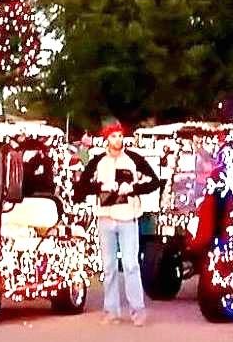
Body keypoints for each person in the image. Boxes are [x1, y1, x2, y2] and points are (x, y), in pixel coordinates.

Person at [74, 121, 159, 326]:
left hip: (127, 217)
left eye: (120, 136)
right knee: (109, 266)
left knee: (130, 265)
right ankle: (111, 310)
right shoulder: (98, 162)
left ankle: (137, 309)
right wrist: (101, 186)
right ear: (106, 139)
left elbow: (154, 182)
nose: (117, 140)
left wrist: (132, 189)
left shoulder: (134, 159)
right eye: (113, 136)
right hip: (105, 217)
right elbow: (82, 187)